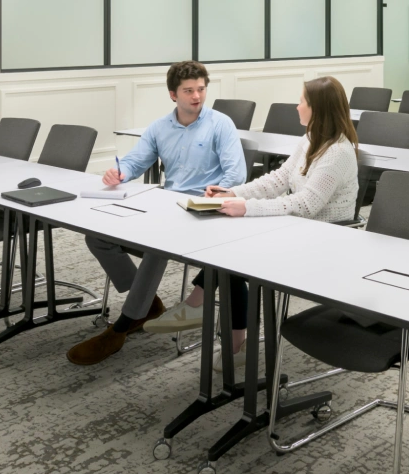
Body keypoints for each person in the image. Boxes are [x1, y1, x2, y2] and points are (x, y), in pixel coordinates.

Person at [66, 60, 248, 366]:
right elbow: (135, 161)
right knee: (98, 237)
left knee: (156, 244)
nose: (197, 96)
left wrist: (217, 193)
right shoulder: (160, 127)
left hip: (204, 211)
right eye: (188, 91)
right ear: (172, 94)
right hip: (168, 205)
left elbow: (236, 174)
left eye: (201, 89)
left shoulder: (221, 124)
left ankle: (124, 324)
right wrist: (119, 172)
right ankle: (148, 303)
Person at [194, 77, 361, 348]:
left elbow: (306, 205)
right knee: (226, 247)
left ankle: (218, 325)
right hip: (295, 228)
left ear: (318, 109)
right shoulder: (311, 139)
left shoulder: (338, 153)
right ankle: (216, 322)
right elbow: (278, 179)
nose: (297, 106)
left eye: (302, 101)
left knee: (232, 253)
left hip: (323, 240)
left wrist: (247, 207)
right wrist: (234, 193)